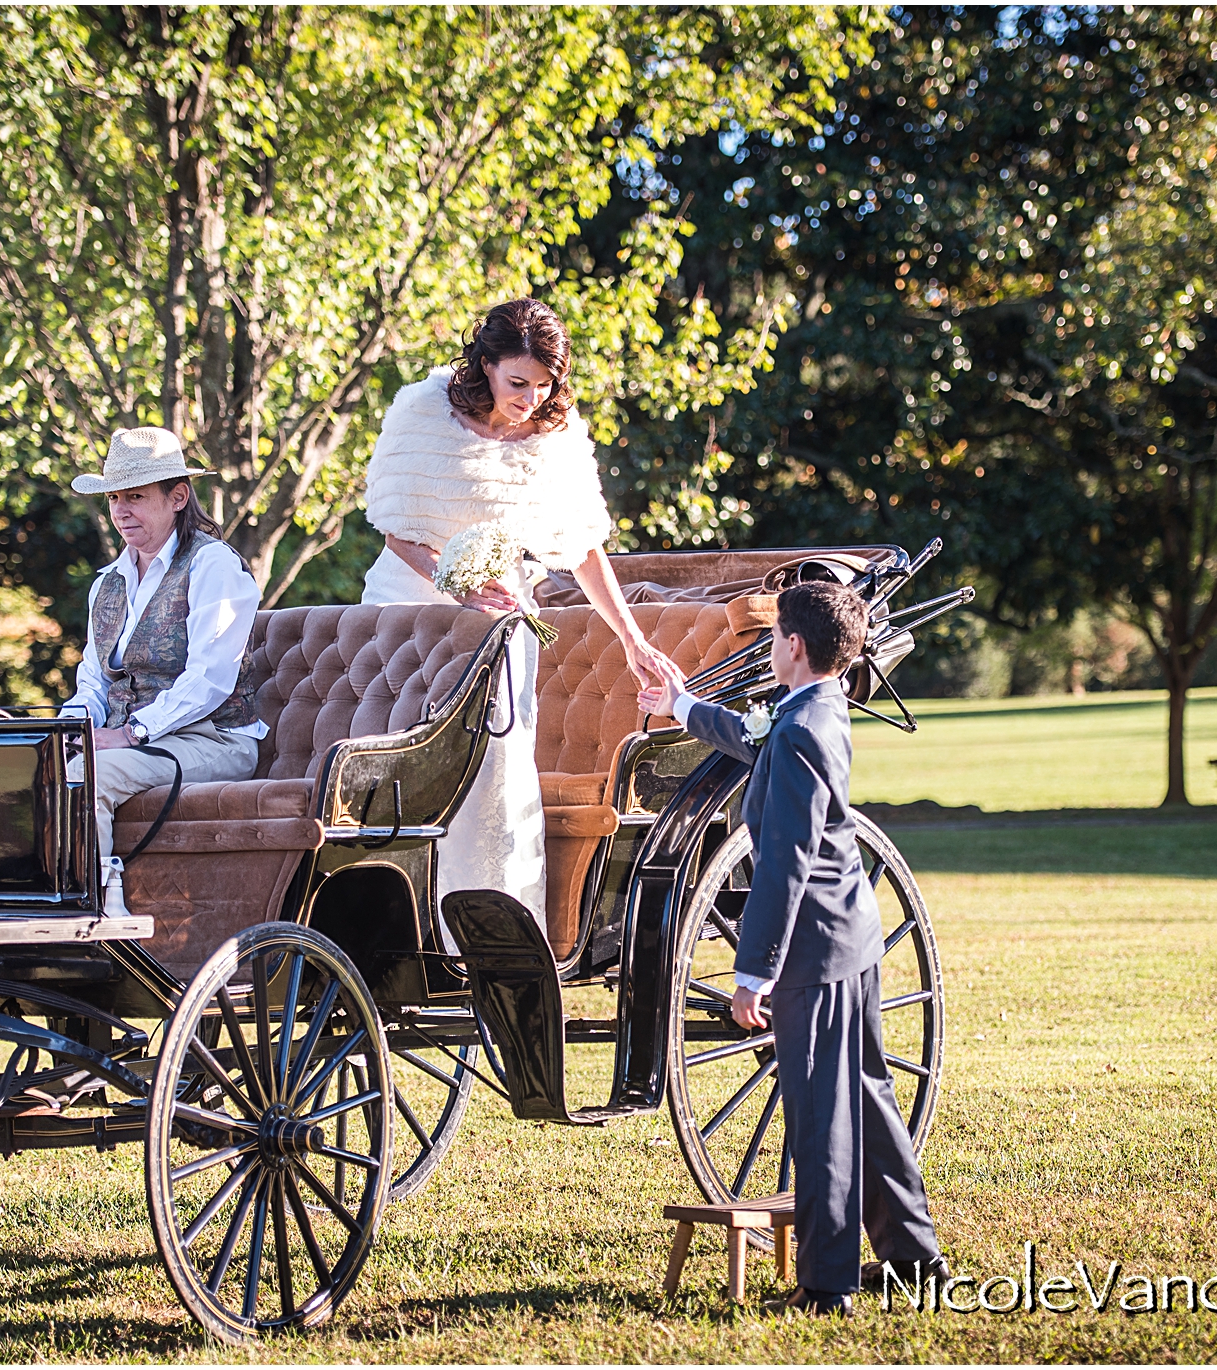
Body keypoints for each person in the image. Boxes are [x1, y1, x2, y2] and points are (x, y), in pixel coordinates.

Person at [639, 582, 945, 1315]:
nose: (769, 647)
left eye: (773, 637)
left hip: (817, 947)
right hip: (849, 939)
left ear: (795, 646)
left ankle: (827, 1283)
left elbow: (785, 860)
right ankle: (914, 1257)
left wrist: (754, 973)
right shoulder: (813, 707)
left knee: (819, 1112)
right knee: (866, 1099)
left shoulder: (805, 727)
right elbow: (753, 737)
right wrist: (680, 705)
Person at [359, 298, 680, 926]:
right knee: (398, 766)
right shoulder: (423, 413)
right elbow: (400, 533)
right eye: (518, 382)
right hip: (411, 608)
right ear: (484, 365)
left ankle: (491, 925)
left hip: (503, 617)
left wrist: (634, 639)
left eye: (544, 384)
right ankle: (389, 921)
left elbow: (585, 548)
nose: (531, 397)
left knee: (495, 776)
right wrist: (458, 586)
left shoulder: (555, 437)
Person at [62, 427, 265, 913]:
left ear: (177, 497)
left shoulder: (213, 566)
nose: (120, 511)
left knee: (88, 773)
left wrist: (130, 733)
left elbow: (209, 680)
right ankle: (22, 907)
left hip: (214, 739)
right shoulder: (107, 584)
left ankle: (97, 909)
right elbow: (93, 678)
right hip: (140, 739)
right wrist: (75, 726)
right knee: (39, 762)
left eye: (135, 496)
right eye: (114, 498)